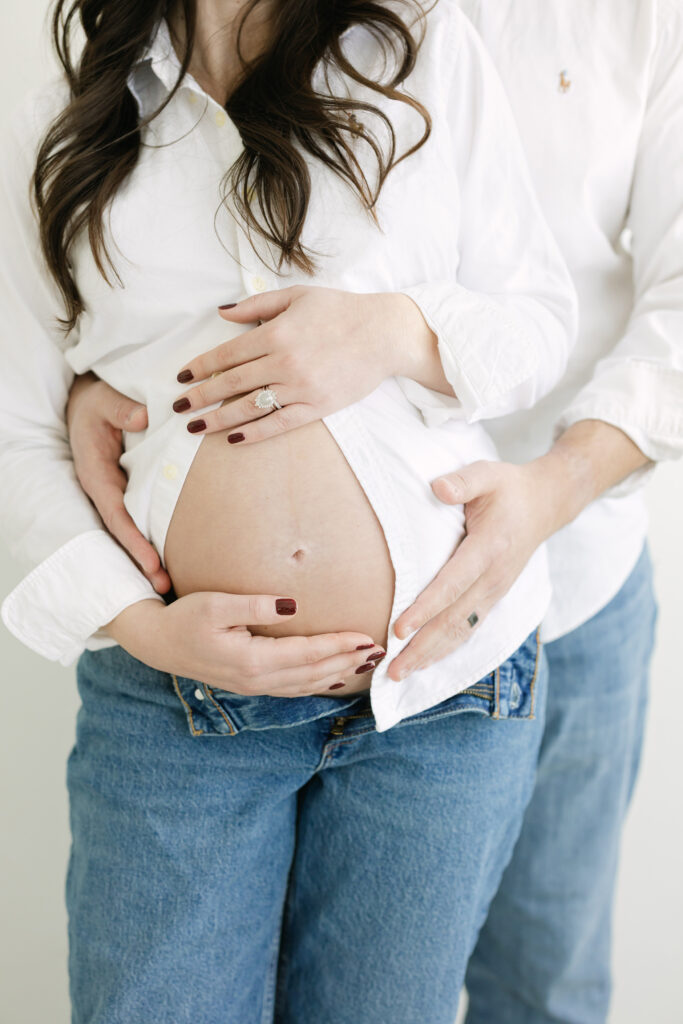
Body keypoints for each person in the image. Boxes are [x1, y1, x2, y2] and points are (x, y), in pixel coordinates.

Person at [64, 1, 683, 1022]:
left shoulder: (619, 20)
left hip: (546, 584)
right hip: (212, 668)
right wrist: (102, 381)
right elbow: (161, 271)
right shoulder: (203, 45)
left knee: (540, 985)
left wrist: (545, 490)